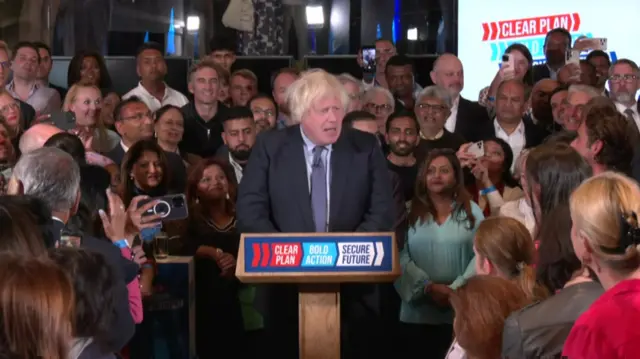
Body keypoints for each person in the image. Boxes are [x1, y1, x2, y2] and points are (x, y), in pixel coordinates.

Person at [236, 69, 394, 358]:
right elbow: (250, 209)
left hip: (354, 294)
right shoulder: (271, 147)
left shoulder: (365, 146)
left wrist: (347, 255)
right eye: (324, 110)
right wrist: (286, 254)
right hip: (282, 291)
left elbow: (382, 210)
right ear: (300, 113)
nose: (333, 118)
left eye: (337, 109)